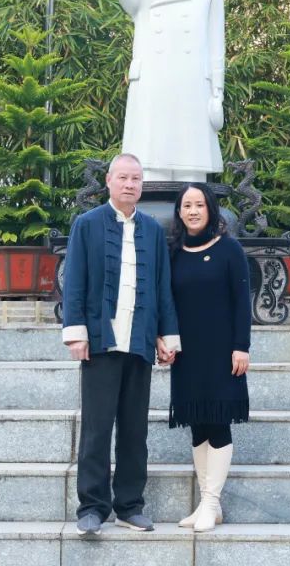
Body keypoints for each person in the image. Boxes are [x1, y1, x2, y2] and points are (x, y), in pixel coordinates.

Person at [61, 153, 182, 536]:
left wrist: (166, 336)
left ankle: (130, 506)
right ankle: (92, 508)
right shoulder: (87, 225)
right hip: (100, 342)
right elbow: (75, 280)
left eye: (136, 179)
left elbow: (162, 287)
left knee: (134, 430)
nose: (130, 184)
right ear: (109, 181)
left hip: (140, 341)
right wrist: (76, 332)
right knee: (96, 429)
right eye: (124, 178)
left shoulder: (153, 230)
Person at [94, 0, 225, 183]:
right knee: (150, 161)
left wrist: (218, 91)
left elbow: (217, 44)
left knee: (192, 169)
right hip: (153, 79)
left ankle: (192, 205)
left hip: (192, 81)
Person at [157, 183, 250, 532]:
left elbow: (242, 301)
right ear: (179, 212)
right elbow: (165, 301)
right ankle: (207, 504)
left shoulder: (229, 249)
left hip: (223, 351)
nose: (193, 211)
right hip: (187, 352)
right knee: (197, 422)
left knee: (218, 420)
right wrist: (162, 339)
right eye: (187, 205)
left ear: (211, 209)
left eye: (199, 204)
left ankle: (211, 502)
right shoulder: (173, 252)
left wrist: (242, 346)